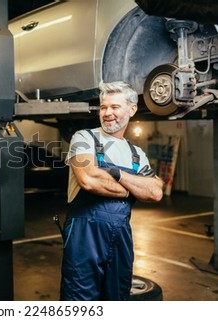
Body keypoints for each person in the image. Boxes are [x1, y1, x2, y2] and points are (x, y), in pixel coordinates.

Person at [60, 81, 163, 300]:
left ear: (131, 109)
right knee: (78, 300)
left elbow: (155, 191)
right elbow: (89, 179)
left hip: (121, 238)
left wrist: (117, 174)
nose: (107, 113)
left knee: (118, 298)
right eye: (103, 107)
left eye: (115, 107)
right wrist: (131, 188)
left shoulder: (136, 153)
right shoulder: (84, 138)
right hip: (84, 236)